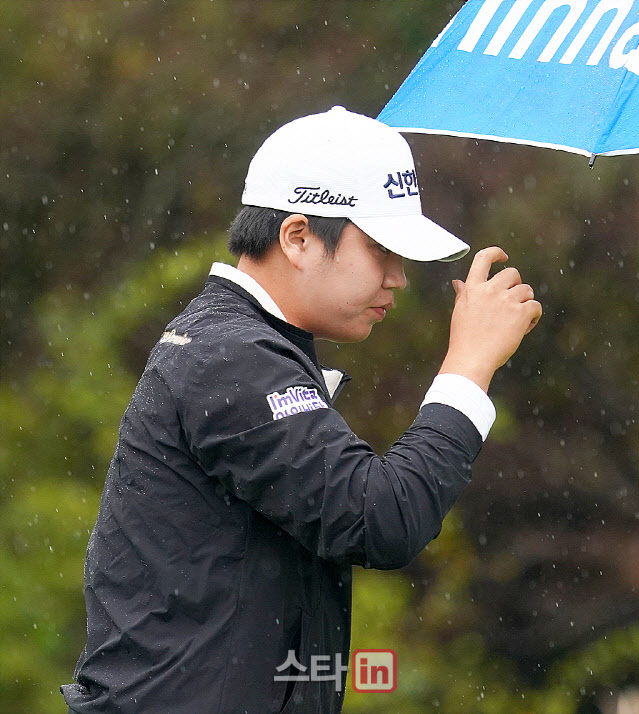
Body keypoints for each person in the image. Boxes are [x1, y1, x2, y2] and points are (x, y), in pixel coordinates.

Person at [61, 106, 541, 713]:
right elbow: (381, 519)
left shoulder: (243, 346)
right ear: (296, 237)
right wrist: (469, 366)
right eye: (381, 249)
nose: (398, 277)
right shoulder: (229, 356)